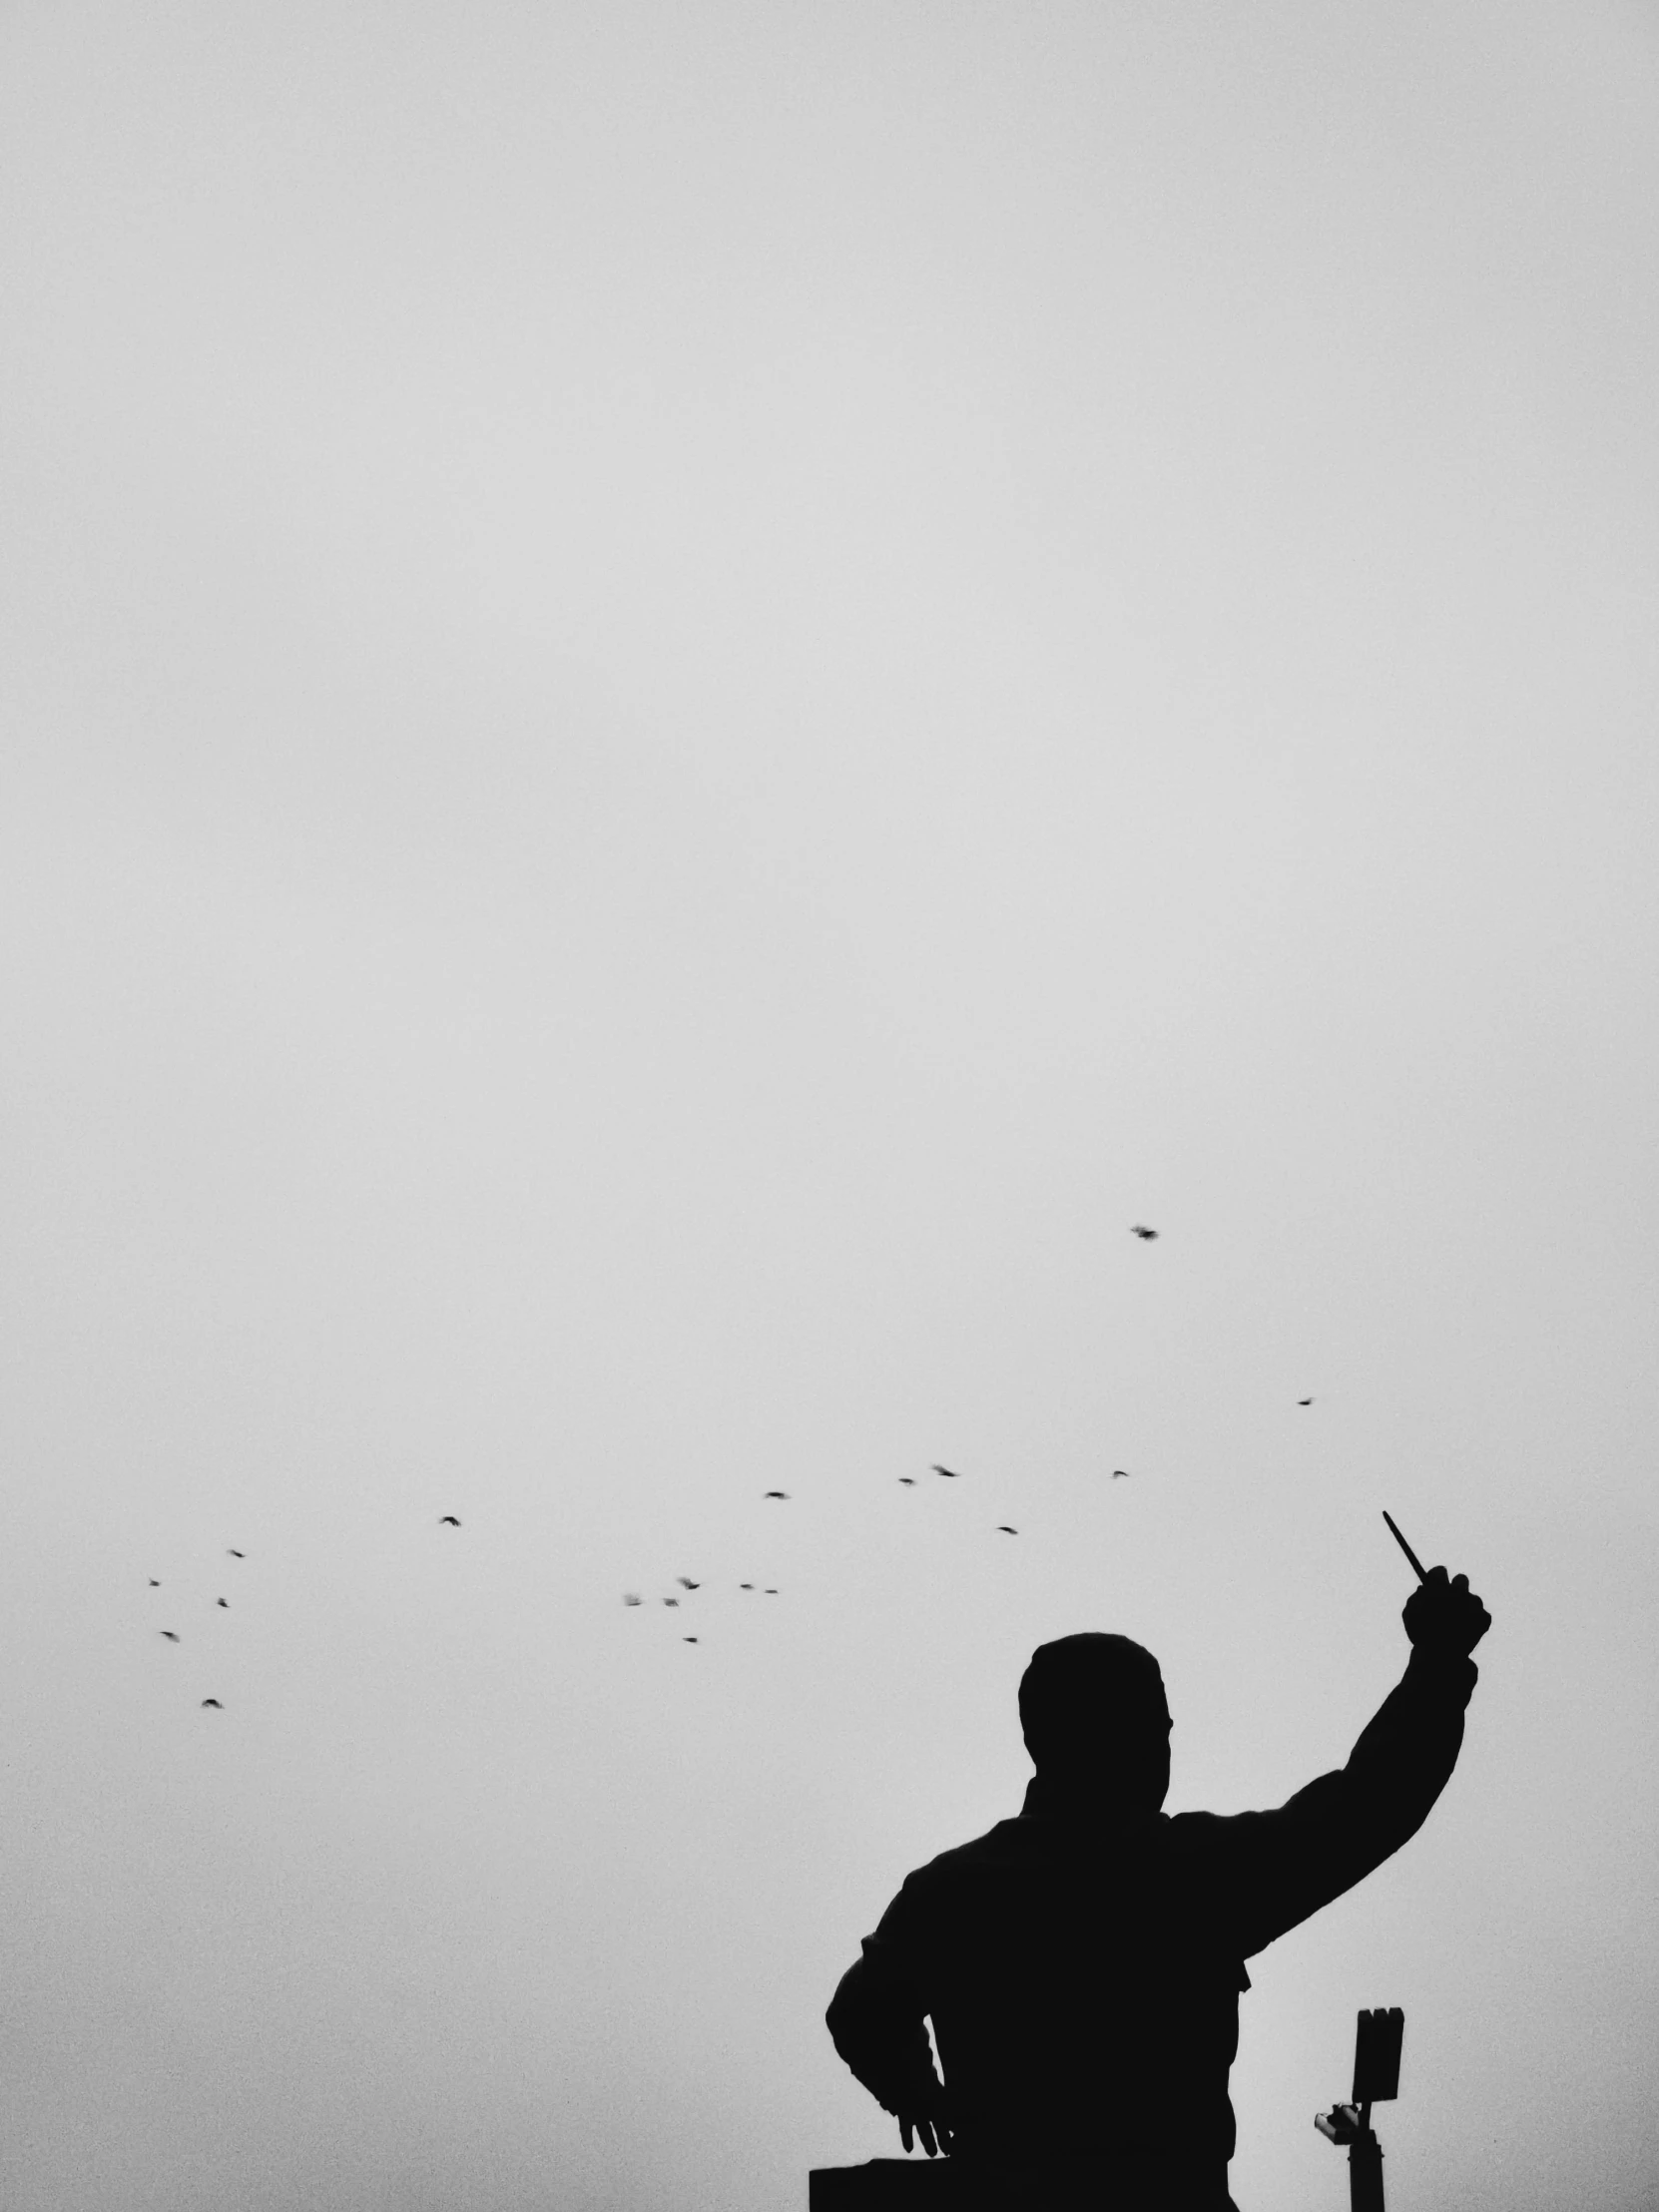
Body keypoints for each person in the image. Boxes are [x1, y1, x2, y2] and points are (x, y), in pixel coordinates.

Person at [826, 1564, 1491, 2210]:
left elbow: (860, 2010)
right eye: (1155, 1730)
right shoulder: (1190, 1875)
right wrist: (1437, 1663)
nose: (1164, 1748)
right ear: (1127, 1739)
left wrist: (917, 2092)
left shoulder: (950, 1893)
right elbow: (1368, 1807)